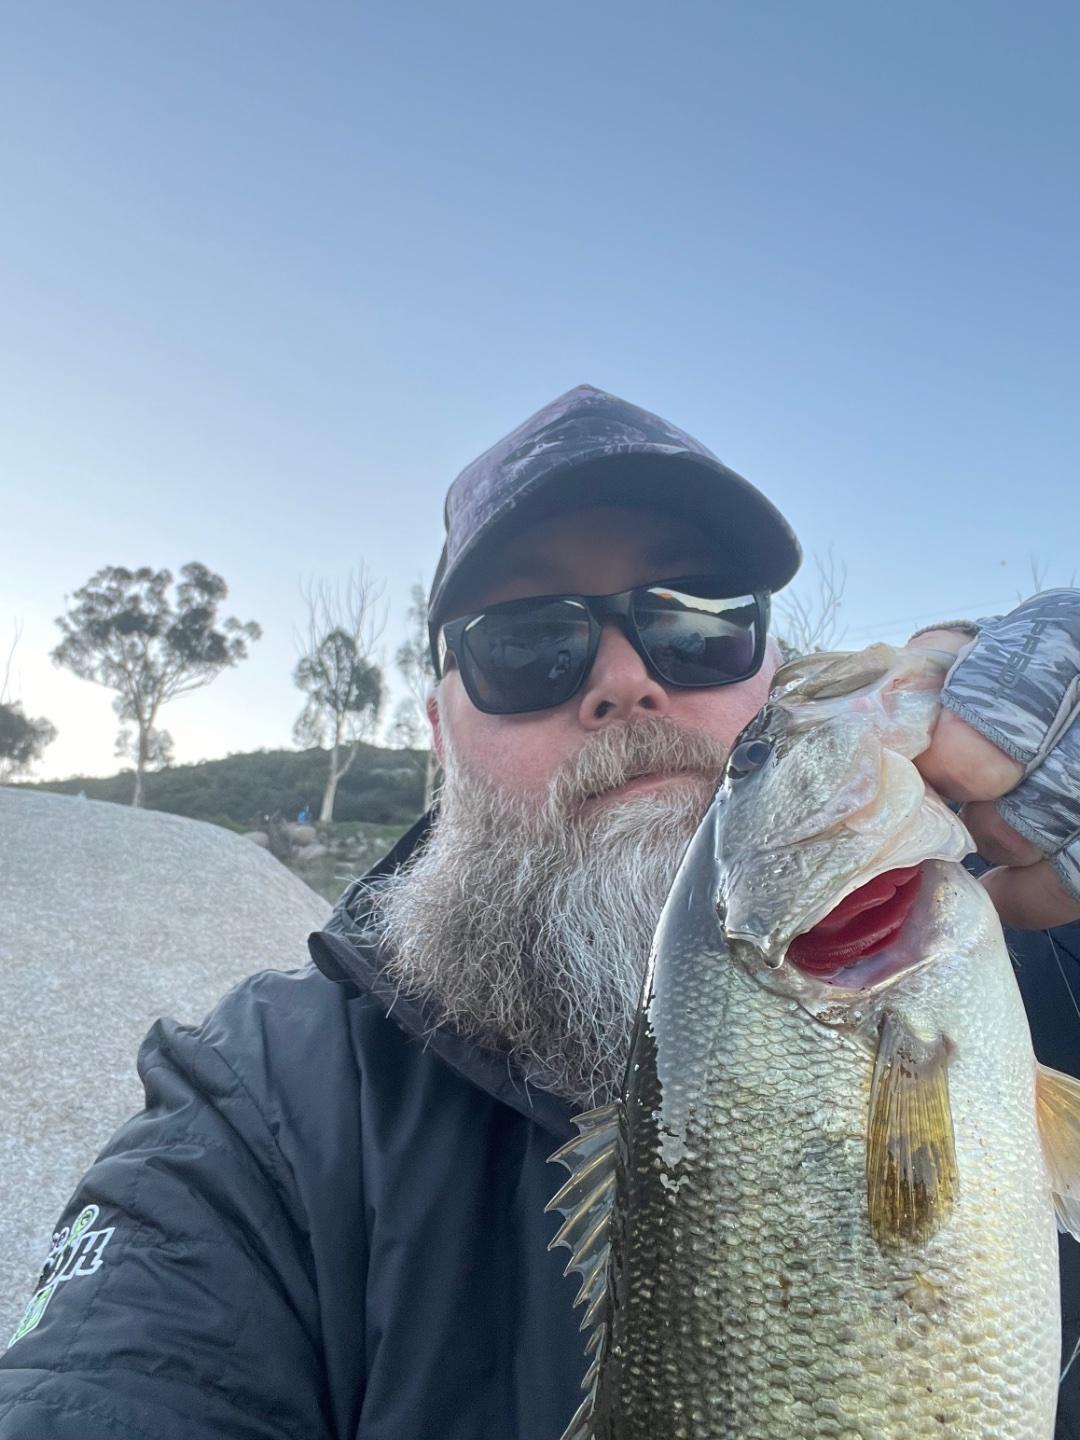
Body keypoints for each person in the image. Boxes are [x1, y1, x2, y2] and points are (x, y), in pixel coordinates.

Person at [1, 384, 1078, 1438]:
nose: (625, 679)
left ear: (774, 678)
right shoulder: (260, 1109)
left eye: (697, 621)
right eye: (525, 644)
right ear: (439, 735)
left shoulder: (1045, 947)